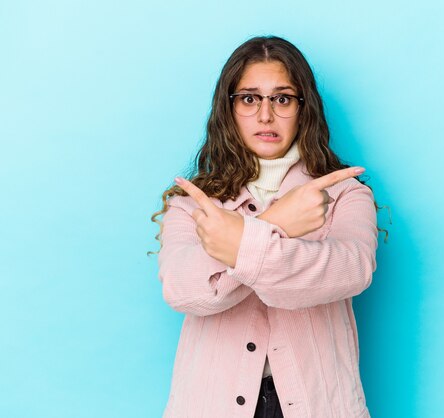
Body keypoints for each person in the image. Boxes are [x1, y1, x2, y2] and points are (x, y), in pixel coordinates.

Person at [151, 35, 378, 418]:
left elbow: (350, 271)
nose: (265, 115)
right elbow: (185, 291)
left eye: (283, 98)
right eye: (250, 98)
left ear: (304, 109)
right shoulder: (192, 202)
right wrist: (277, 223)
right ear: (229, 108)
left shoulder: (343, 193)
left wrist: (237, 242)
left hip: (318, 405)